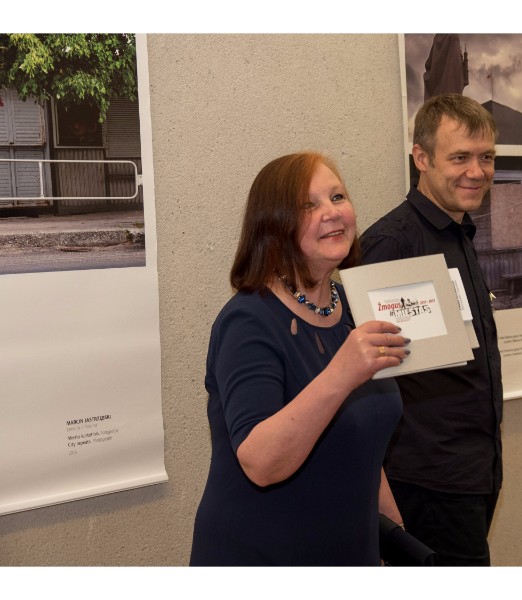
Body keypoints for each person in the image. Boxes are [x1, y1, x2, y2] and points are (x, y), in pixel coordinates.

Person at [190, 152, 410, 566]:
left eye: (338, 197)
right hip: (261, 557)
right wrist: (341, 374)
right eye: (309, 205)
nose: (332, 212)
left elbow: (363, 440)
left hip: (349, 551)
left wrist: (394, 536)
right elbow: (261, 463)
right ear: (274, 225)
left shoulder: (356, 307)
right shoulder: (248, 320)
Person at [359, 94, 503, 566]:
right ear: (421, 158)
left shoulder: (458, 233)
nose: (476, 171)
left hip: (473, 469)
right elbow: (363, 375)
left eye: (486, 157)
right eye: (459, 157)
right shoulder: (392, 245)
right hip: (426, 482)